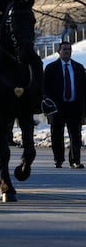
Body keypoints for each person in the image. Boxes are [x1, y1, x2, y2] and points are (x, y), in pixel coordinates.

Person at [43, 41, 86, 169]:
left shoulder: (78, 67)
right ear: (59, 51)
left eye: (69, 49)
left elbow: (84, 88)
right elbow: (45, 88)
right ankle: (59, 159)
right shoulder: (51, 68)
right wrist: (48, 102)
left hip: (74, 106)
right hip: (57, 106)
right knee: (57, 134)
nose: (67, 52)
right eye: (64, 49)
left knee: (76, 135)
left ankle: (75, 160)